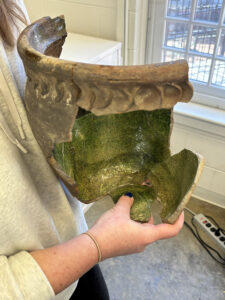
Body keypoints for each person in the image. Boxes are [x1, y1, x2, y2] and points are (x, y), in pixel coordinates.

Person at [0, 0, 184, 299]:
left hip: (67, 235)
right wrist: (99, 245)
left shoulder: (9, 5)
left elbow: (32, 122)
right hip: (37, 281)